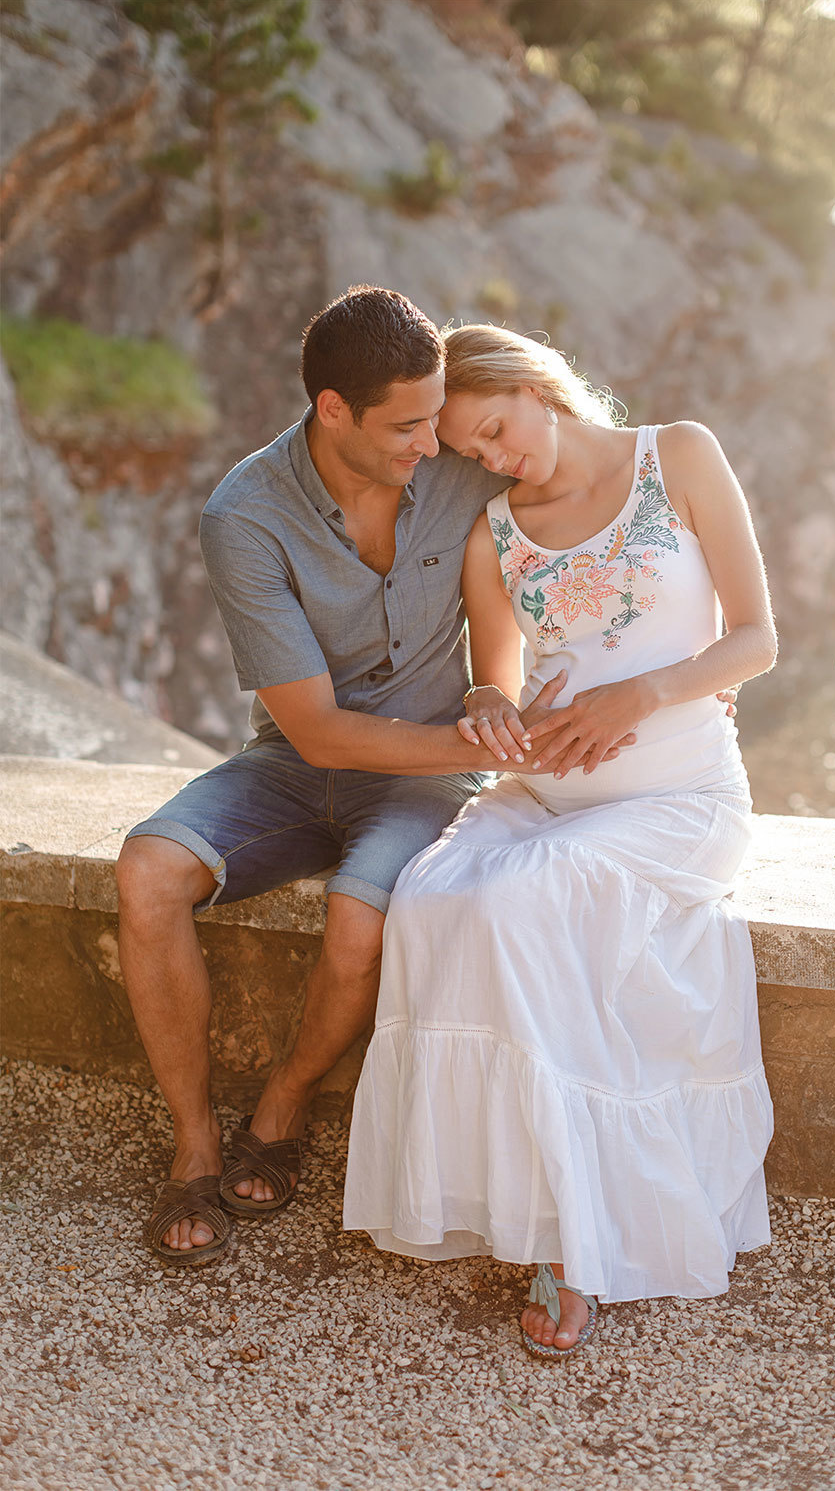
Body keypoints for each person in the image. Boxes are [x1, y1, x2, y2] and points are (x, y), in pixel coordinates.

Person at [341, 324, 778, 1359]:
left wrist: (646, 690)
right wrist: (493, 709)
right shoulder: (497, 530)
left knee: (519, 902)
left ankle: (576, 1244)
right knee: (434, 897)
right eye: (474, 451)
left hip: (676, 797)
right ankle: (509, 1196)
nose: (494, 458)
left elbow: (757, 638)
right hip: (539, 793)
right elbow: (492, 673)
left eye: (495, 428)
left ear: (536, 386)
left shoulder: (677, 456)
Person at [116, 286, 526, 1267]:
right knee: (145, 870)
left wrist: (520, 693)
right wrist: (484, 752)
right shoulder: (244, 514)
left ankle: (286, 1099)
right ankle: (196, 1141)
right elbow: (317, 731)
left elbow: (550, 553)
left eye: (437, 416)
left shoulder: (457, 465)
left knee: (359, 916)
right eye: (406, 423)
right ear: (332, 409)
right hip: (300, 763)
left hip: (420, 781)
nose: (432, 442)